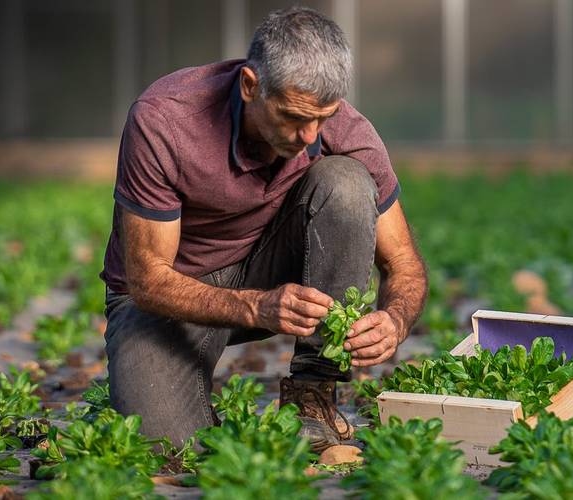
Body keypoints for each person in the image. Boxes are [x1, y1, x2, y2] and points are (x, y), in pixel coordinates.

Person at [99, 6, 427, 451]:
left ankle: (314, 396)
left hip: (266, 268)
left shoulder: (346, 131)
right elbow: (146, 279)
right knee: (164, 448)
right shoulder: (166, 121)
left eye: (323, 117)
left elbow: (403, 261)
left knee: (346, 182)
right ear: (251, 85)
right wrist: (257, 307)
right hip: (169, 295)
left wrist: (394, 319)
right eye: (293, 117)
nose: (310, 135)